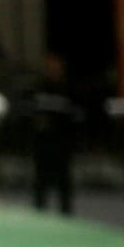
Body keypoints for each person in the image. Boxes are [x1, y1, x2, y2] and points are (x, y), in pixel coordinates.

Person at [28, 53, 81, 215]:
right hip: (43, 144)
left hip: (62, 143)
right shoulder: (39, 87)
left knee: (64, 183)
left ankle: (66, 216)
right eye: (50, 66)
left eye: (56, 66)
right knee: (40, 183)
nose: (53, 70)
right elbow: (30, 111)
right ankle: (39, 215)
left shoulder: (69, 89)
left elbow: (76, 115)